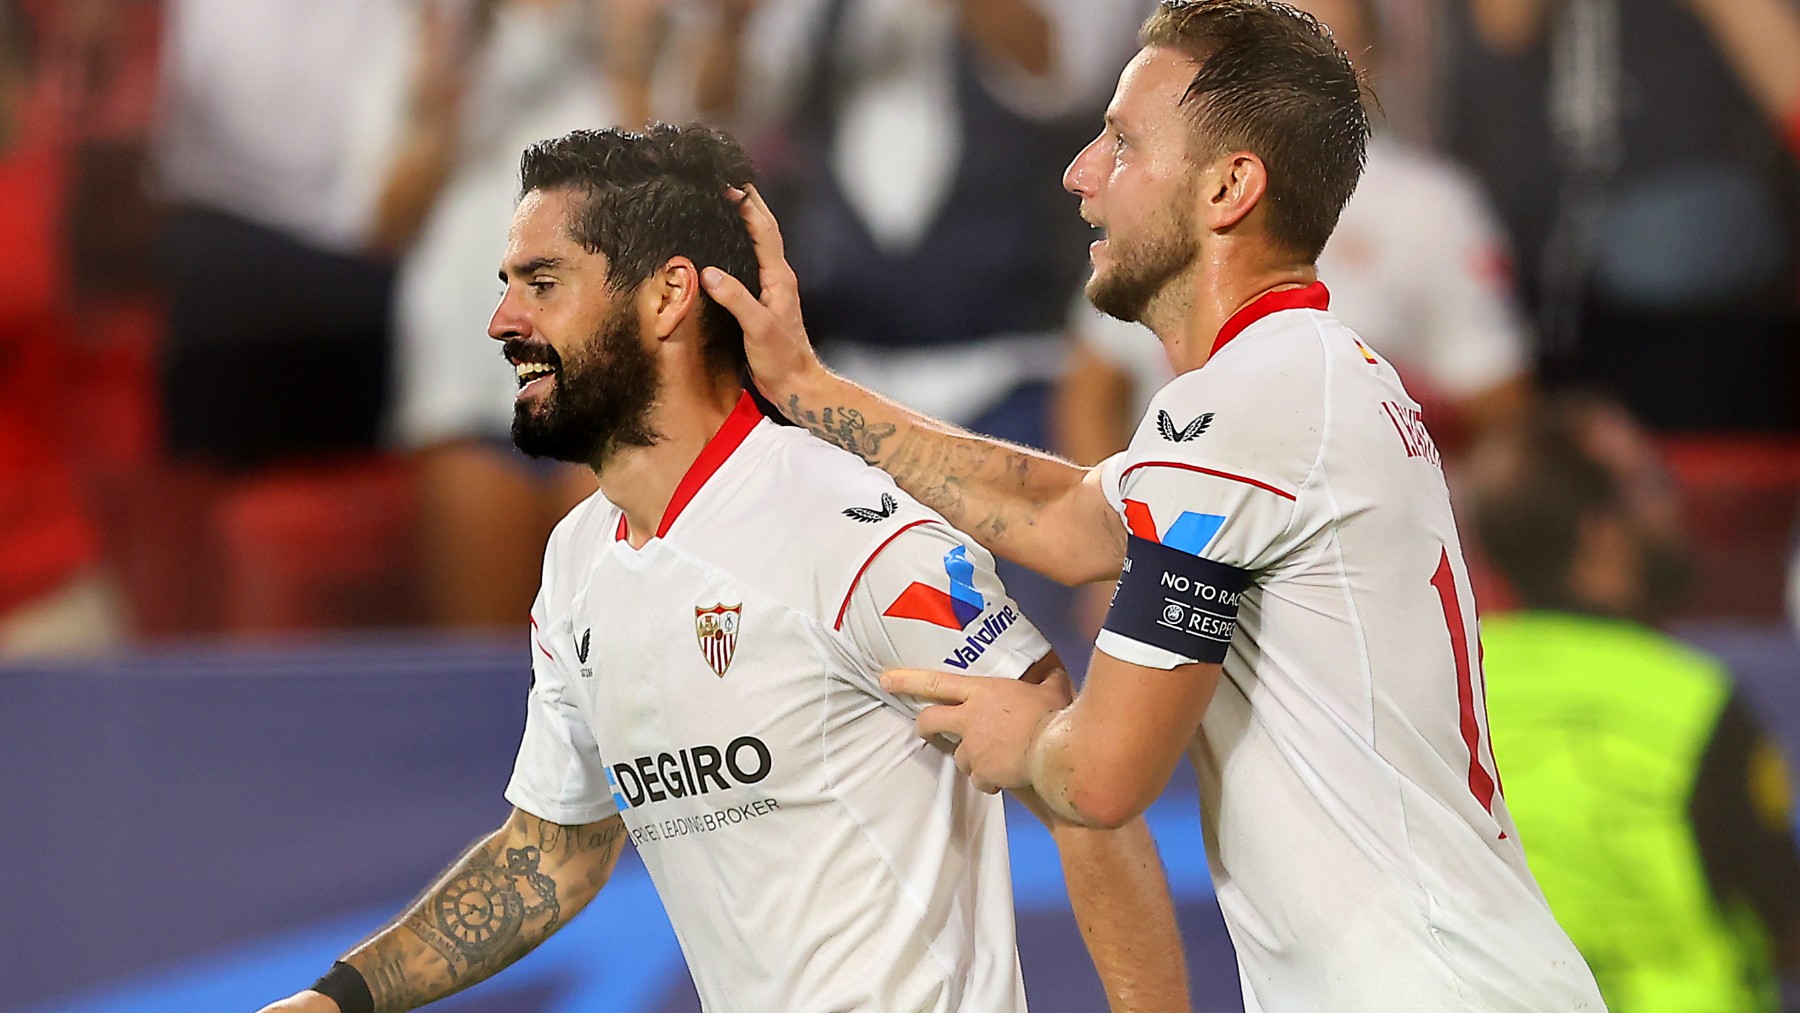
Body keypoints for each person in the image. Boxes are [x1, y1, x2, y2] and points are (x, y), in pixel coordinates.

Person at [700, 1, 1606, 1007]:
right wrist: (811, 392)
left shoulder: (1249, 408)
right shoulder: (1301, 380)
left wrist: (1026, 734)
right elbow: (1060, 513)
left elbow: (1100, 775)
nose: (1080, 173)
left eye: (1123, 144)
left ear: (1229, 187)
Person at [254, 125, 1188, 1013]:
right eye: (508, 285)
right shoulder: (577, 561)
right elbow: (552, 854)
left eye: (543, 282)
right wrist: (345, 995)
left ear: (667, 296)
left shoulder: (849, 524)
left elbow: (1083, 798)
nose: (503, 320)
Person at [1056, 0, 1534, 470]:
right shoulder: (1163, 185)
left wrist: (1394, 414)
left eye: (1325, 42)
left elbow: (1503, 408)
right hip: (1177, 506)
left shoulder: (1430, 206)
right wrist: (1125, 531)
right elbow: (1092, 390)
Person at [1469, 399, 1800, 1010]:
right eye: (1651, 485)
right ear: (1600, 533)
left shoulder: (1457, 681)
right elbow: (1782, 917)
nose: (1674, 503)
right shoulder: (1692, 702)